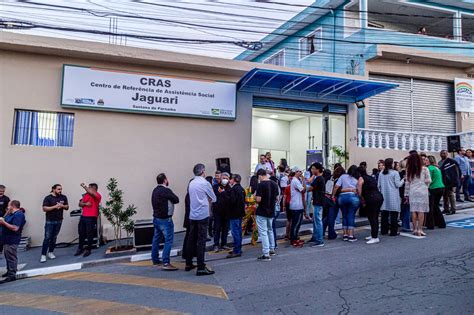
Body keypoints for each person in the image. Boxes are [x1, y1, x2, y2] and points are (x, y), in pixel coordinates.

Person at [185, 163, 216, 276]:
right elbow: (214, 198)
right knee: (201, 241)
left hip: (193, 214)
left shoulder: (191, 183)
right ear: (203, 172)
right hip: (202, 214)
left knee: (191, 239)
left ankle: (188, 263)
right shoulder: (205, 183)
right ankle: (201, 267)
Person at [151, 173, 180, 271]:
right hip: (165, 219)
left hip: (156, 218)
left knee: (156, 239)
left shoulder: (154, 191)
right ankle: (166, 262)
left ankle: (155, 260)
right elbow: (176, 199)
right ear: (165, 180)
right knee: (168, 240)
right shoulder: (166, 190)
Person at [333, 165, 362, 242]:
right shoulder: (357, 179)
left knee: (344, 215)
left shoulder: (343, 176)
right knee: (351, 215)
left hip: (342, 198)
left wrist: (333, 195)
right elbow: (359, 191)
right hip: (353, 197)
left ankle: (345, 234)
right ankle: (351, 235)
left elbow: (336, 186)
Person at [40, 184, 69, 263]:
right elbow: (44, 208)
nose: (60, 191)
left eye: (61, 189)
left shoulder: (63, 197)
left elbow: (67, 207)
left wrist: (62, 206)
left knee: (54, 237)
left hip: (59, 220)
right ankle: (43, 255)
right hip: (50, 221)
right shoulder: (48, 198)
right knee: (47, 238)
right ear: (53, 189)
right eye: (58, 189)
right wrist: (55, 207)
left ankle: (50, 252)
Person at [405, 154, 431, 237]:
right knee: (421, 210)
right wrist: (426, 187)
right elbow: (428, 180)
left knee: (413, 210)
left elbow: (407, 183)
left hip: (413, 191)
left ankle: (414, 229)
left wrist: (406, 194)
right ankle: (420, 229)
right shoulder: (425, 169)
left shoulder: (408, 170)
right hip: (422, 190)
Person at [255, 169, 278, 261]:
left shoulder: (261, 185)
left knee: (263, 232)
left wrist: (255, 197)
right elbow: (277, 198)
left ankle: (266, 253)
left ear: (260, 175)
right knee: (270, 230)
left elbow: (258, 200)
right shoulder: (274, 184)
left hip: (262, 211)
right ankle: (272, 249)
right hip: (271, 210)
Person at [0, 200, 26, 283]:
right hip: (6, 239)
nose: (7, 207)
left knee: (11, 257)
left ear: (13, 206)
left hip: (12, 239)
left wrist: (3, 223)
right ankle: (9, 271)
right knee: (7, 256)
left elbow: (15, 228)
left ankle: (12, 275)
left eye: (8, 205)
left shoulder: (19, 215)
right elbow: (5, 220)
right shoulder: (11, 214)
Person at [377, 158, 404, 236]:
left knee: (384, 215)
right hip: (393, 196)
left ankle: (384, 231)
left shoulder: (381, 173)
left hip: (384, 195)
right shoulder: (395, 173)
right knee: (394, 215)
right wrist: (403, 179)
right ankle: (393, 232)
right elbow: (398, 184)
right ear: (392, 164)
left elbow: (378, 185)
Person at [74, 183, 102, 257]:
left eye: (89, 188)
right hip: (83, 216)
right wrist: (85, 204)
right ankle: (80, 248)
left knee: (89, 234)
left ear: (94, 189)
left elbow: (91, 193)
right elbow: (80, 204)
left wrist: (84, 186)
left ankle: (88, 249)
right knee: (81, 233)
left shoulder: (97, 195)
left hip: (91, 217)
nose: (88, 189)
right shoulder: (86, 195)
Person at [359, 167, 384, 244]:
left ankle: (375, 237)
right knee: (375, 217)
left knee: (372, 218)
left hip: (371, 199)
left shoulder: (361, 178)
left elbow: (359, 191)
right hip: (378, 197)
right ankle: (373, 234)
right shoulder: (370, 177)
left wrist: (361, 199)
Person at [227, 174, 245, 259]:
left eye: (230, 179)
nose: (229, 180)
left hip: (234, 214)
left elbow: (232, 201)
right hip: (240, 213)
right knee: (238, 232)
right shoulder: (241, 189)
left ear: (234, 180)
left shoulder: (233, 189)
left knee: (235, 233)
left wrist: (224, 194)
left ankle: (237, 250)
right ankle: (238, 248)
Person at [323, 166, 344, 240]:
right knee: (332, 217)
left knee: (328, 216)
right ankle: (331, 234)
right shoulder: (340, 179)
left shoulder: (331, 178)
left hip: (328, 198)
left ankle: (322, 232)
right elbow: (338, 189)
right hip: (335, 198)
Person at [212, 172, 231, 252]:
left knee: (225, 229)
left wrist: (223, 192)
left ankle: (224, 243)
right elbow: (212, 197)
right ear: (220, 178)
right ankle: (216, 244)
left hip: (226, 211)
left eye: (227, 179)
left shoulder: (229, 188)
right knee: (217, 228)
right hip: (217, 211)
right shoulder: (215, 187)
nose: (225, 180)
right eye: (224, 178)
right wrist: (218, 192)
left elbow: (230, 198)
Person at [426, 156, 446, 230]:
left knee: (431, 207)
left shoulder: (430, 168)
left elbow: (428, 179)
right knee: (435, 206)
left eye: (426, 160)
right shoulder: (437, 168)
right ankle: (440, 222)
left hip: (433, 188)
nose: (425, 161)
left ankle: (431, 224)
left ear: (430, 161)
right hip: (441, 187)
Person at [308, 163, 325, 247]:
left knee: (318, 221)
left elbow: (310, 188)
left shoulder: (319, 178)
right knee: (315, 221)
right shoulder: (318, 178)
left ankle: (319, 240)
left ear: (318, 169)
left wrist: (302, 187)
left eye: (313, 168)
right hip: (317, 202)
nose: (312, 170)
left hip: (318, 202)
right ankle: (315, 237)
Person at [439, 150, 459, 215]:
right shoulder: (439, 162)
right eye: (441, 153)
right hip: (442, 181)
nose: (443, 154)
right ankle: (446, 209)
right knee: (444, 195)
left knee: (451, 195)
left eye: (444, 153)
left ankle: (453, 209)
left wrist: (455, 180)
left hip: (450, 181)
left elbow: (456, 171)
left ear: (447, 154)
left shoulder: (451, 161)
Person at [289, 167, 306, 247]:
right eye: (299, 171)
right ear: (295, 172)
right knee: (295, 224)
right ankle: (293, 239)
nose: (300, 173)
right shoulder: (295, 181)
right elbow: (303, 190)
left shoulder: (296, 180)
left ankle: (295, 237)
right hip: (296, 206)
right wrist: (304, 181)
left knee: (298, 223)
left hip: (298, 205)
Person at [399, 160, 411, 232]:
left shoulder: (399, 173)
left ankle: (403, 223)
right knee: (407, 209)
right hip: (407, 193)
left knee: (403, 208)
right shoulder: (408, 173)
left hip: (401, 193)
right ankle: (406, 226)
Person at [209, 171, 222, 238]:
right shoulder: (213, 183)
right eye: (216, 176)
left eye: (218, 176)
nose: (217, 178)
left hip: (219, 204)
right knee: (212, 218)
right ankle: (212, 231)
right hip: (214, 203)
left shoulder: (222, 183)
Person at [0, 185, 11, 256]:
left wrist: (4, 217)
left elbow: (8, 209)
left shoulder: (6, 199)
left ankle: (0, 251)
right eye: (0, 191)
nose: (2, 192)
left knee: (1, 235)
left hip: (2, 219)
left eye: (3, 191)